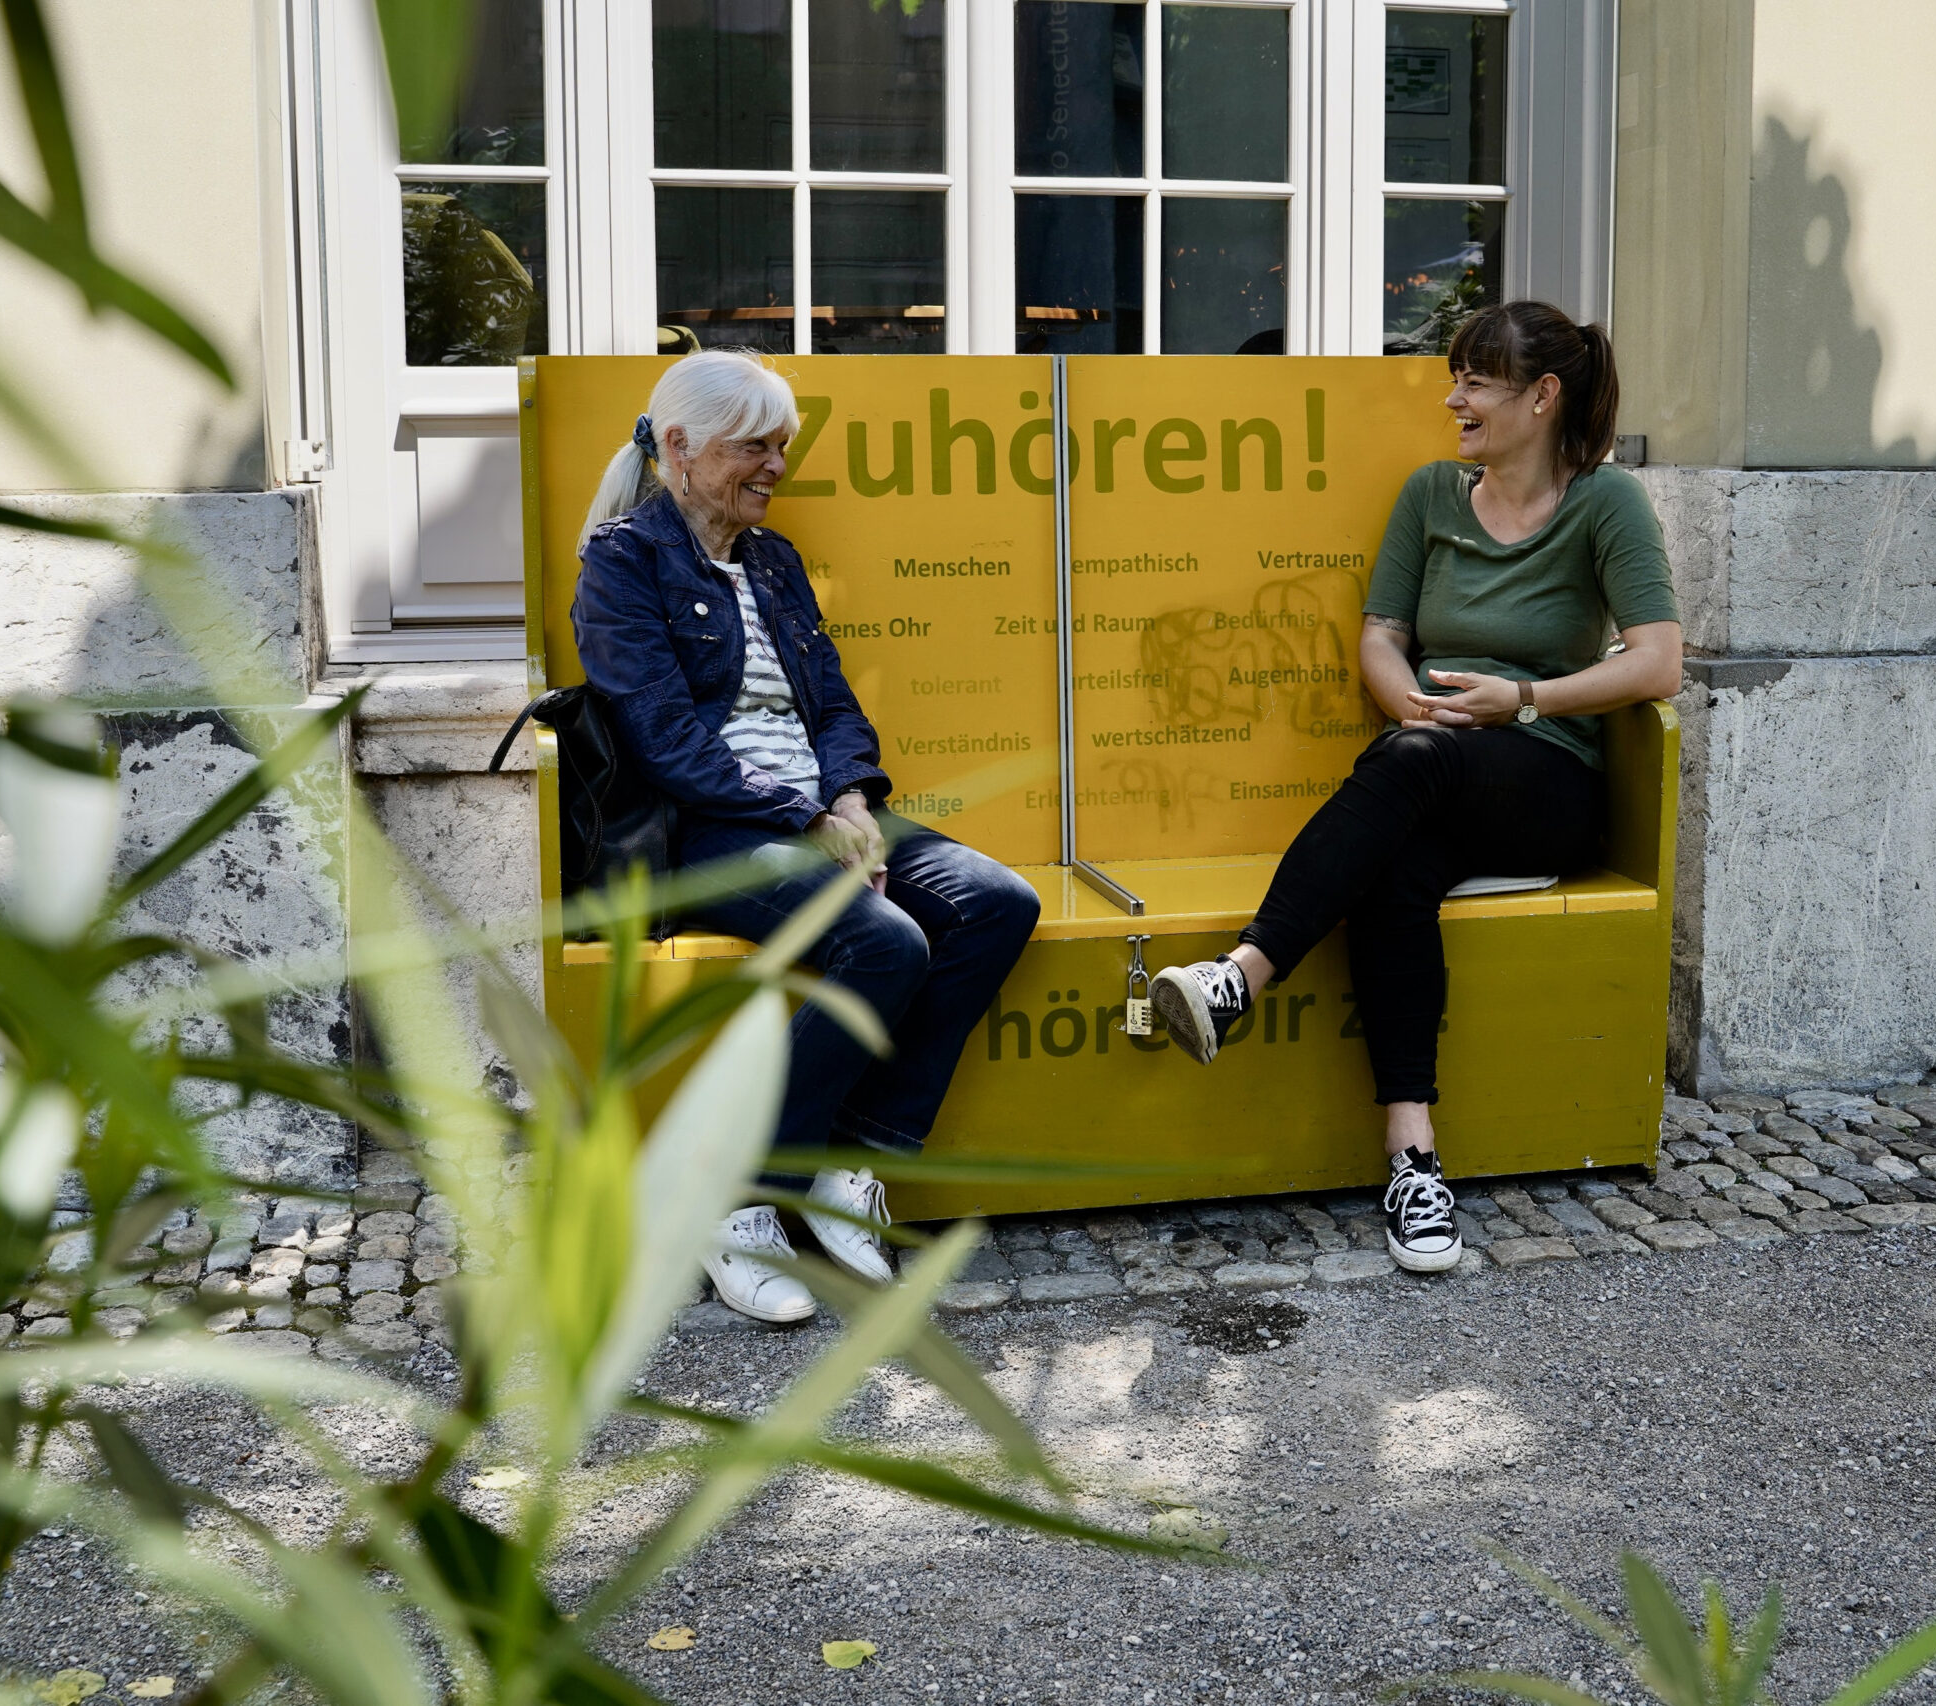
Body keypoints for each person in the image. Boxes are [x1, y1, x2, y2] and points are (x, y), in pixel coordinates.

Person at [1145, 300, 1683, 1275]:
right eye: (1457, 377)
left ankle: (1243, 975)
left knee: (1416, 765)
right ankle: (1413, 1158)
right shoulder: (1433, 494)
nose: (1454, 399)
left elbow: (1657, 665)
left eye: (1476, 380)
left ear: (1542, 395)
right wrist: (1409, 703)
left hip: (1546, 779)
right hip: (1429, 766)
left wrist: (1518, 698)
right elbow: (1381, 636)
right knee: (1394, 876)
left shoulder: (1606, 504)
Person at [572, 351, 1041, 1325]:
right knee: (884, 940)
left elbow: (829, 699)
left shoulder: (773, 562)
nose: (778, 466)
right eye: (757, 446)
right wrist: (810, 817)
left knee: (996, 903)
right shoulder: (621, 562)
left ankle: (851, 1165)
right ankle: (741, 1202)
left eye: (783, 445)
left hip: (821, 812)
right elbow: (665, 739)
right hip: (714, 828)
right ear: (681, 449)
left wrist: (857, 798)